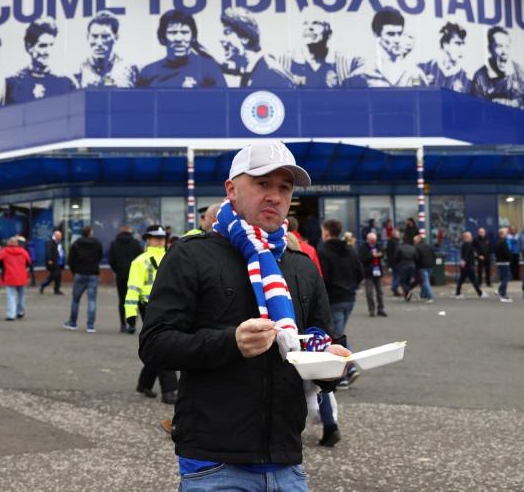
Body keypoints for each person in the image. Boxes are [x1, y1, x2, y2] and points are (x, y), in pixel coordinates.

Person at [139, 140, 348, 489]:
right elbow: (156, 344)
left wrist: (333, 361)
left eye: (284, 187)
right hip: (213, 463)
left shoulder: (301, 267)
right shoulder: (191, 256)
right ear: (232, 190)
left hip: (287, 461)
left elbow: (324, 337)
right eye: (263, 183)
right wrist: (230, 342)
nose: (275, 196)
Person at [125, 225, 177, 404]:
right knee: (165, 346)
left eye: (162, 238)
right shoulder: (140, 261)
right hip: (148, 307)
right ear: (148, 239)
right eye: (156, 238)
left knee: (157, 345)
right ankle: (170, 390)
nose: (160, 241)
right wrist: (130, 314)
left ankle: (144, 383)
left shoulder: (171, 257)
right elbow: (133, 289)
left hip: (170, 306)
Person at [318, 217, 363, 388]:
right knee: (338, 333)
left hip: (334, 298)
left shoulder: (323, 252)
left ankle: (347, 370)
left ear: (327, 233)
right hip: (349, 298)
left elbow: (324, 277)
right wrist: (351, 287)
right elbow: (359, 272)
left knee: (336, 335)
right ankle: (347, 369)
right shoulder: (350, 250)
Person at [471, 26, 524, 118]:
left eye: (507, 46)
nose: (504, 51)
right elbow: (476, 116)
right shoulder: (480, 78)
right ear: (490, 49)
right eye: (499, 46)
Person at [137, 9, 227, 88]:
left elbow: (224, 104)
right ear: (163, 37)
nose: (179, 38)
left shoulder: (209, 68)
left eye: (184, 32)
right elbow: (138, 105)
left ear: (193, 37)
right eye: (172, 32)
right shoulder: (148, 72)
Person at [345, 6, 427, 87]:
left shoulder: (414, 74)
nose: (397, 40)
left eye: (399, 33)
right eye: (390, 34)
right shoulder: (363, 75)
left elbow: (421, 96)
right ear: (377, 35)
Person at [220, 7, 296, 88]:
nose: (221, 39)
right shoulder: (252, 72)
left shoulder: (271, 73)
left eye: (227, 32)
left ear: (244, 37)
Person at [5, 18, 76, 104]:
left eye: (51, 45)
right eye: (43, 46)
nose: (48, 52)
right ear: (29, 47)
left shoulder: (65, 83)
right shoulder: (13, 84)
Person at [279, 15, 361, 88]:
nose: (309, 27)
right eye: (305, 23)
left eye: (316, 23)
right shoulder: (286, 61)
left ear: (329, 34)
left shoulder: (345, 63)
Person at [74, 11, 138, 88]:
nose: (99, 43)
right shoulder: (78, 71)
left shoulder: (130, 70)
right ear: (87, 37)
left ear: (116, 37)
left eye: (105, 36)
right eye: (94, 36)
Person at [65, 225, 103, 333]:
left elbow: (70, 259)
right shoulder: (97, 243)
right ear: (90, 233)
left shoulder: (76, 244)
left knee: (75, 300)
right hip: (92, 274)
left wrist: (74, 271)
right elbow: (100, 256)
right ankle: (90, 326)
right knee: (92, 300)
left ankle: (73, 323)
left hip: (80, 274)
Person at [108, 225, 143, 333]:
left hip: (120, 274)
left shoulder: (114, 243)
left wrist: (117, 270)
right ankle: (131, 324)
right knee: (134, 300)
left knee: (122, 300)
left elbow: (111, 259)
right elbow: (141, 258)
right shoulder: (136, 243)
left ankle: (122, 324)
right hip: (134, 275)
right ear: (130, 231)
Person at [419, 21, 471, 94]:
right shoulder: (423, 69)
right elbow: (413, 90)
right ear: (445, 44)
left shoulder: (466, 80)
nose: (461, 49)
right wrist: (421, 84)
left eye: (463, 44)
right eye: (457, 43)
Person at [0, 236, 30, 321]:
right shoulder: (23, 251)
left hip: (10, 276)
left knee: (11, 296)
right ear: (17, 243)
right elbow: (28, 262)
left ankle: (11, 314)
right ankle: (20, 312)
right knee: (21, 295)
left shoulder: (4, 251)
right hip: (22, 276)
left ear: (8, 243)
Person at [358, 232, 387, 317]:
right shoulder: (363, 247)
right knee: (369, 292)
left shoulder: (378, 246)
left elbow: (382, 254)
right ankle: (371, 309)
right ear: (368, 240)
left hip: (378, 271)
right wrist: (372, 256)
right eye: (371, 240)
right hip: (368, 272)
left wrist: (380, 255)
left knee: (380, 292)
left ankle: (380, 309)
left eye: (374, 240)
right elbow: (362, 259)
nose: (373, 242)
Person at [455, 231, 483, 298]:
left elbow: (471, 254)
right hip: (468, 266)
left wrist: (478, 257)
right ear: (466, 237)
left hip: (466, 265)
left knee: (462, 279)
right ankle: (480, 293)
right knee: (473, 280)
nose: (471, 237)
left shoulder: (466, 244)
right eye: (470, 236)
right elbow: (466, 255)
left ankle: (458, 293)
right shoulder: (467, 244)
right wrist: (464, 264)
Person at [40, 230, 65, 295]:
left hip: (60, 262)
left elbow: (60, 250)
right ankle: (43, 284)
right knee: (53, 275)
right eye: (59, 236)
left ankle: (57, 289)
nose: (61, 237)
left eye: (61, 235)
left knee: (59, 276)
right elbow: (49, 251)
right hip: (54, 262)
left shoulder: (60, 242)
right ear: (56, 235)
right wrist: (50, 260)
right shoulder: (50, 242)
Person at [413, 234, 436, 302]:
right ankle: (423, 294)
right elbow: (433, 255)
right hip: (430, 265)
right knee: (424, 280)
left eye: (415, 240)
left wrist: (416, 266)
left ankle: (429, 296)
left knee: (425, 281)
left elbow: (416, 258)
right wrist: (433, 263)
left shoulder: (416, 247)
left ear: (418, 240)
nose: (414, 241)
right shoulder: (428, 245)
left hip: (422, 266)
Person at [493, 228, 514, 302]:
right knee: (505, 278)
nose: (507, 233)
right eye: (506, 232)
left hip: (499, 261)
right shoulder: (503, 241)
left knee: (503, 278)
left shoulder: (497, 241)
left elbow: (496, 251)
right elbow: (506, 252)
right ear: (502, 233)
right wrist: (510, 257)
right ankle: (502, 294)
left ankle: (499, 291)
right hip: (504, 262)